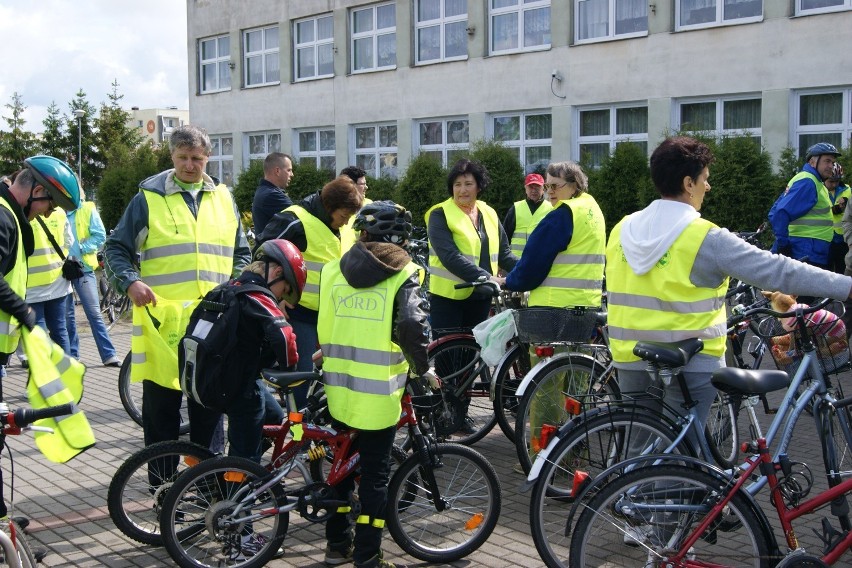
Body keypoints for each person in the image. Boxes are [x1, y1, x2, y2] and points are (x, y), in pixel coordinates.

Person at [606, 136, 852, 451]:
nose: (707, 187)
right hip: (690, 361)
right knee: (689, 454)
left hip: (630, 357)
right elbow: (777, 270)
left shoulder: (621, 229)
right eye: (704, 179)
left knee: (637, 451)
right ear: (688, 183)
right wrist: (845, 286)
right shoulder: (703, 236)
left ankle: (628, 498)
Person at [104, 124, 251, 451]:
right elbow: (115, 248)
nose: (189, 165)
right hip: (164, 324)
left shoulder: (224, 199)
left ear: (208, 158)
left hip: (213, 320)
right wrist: (130, 283)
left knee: (209, 406)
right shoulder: (148, 200)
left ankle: (206, 484)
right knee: (161, 408)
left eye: (196, 158)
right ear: (171, 156)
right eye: (182, 157)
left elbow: (241, 253)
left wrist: (235, 289)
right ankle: (163, 486)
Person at [318, 201, 429, 568]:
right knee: (374, 479)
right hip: (379, 394)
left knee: (338, 467)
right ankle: (367, 556)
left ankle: (336, 545)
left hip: (337, 387)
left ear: (362, 233)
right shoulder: (406, 272)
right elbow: (412, 327)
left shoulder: (333, 269)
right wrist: (421, 367)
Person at [257, 176, 363, 405]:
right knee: (301, 373)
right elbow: (263, 256)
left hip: (332, 314)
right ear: (329, 207)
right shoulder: (295, 220)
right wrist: (275, 299)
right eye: (343, 216)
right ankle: (298, 429)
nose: (346, 223)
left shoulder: (340, 226)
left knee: (335, 370)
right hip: (300, 313)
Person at [218, 239, 305, 463]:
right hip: (240, 384)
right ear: (276, 272)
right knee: (245, 454)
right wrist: (289, 371)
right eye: (284, 289)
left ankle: (237, 468)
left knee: (274, 415)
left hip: (218, 377)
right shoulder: (258, 296)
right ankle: (239, 486)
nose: (280, 297)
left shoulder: (229, 287)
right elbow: (285, 337)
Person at [0, 157, 80, 399]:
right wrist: (23, 311)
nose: (48, 214)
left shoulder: (10, 214)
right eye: (51, 205)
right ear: (36, 191)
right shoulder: (3, 218)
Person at [425, 158, 517, 332]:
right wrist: (488, 278)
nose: (462, 190)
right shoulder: (439, 214)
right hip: (448, 298)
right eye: (457, 184)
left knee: (474, 351)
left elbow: (504, 253)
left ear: (479, 187)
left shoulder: (488, 212)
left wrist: (527, 271)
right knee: (448, 355)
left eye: (468, 184)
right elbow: (450, 256)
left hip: (481, 297)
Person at [65, 193, 121, 366]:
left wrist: (81, 247)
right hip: (61, 269)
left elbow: (99, 236)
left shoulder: (87, 209)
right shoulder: (56, 209)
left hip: (83, 268)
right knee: (67, 316)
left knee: (94, 313)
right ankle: (73, 356)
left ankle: (109, 354)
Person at [768, 142, 841, 268]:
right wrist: (783, 245)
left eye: (833, 162)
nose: (831, 166)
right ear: (813, 162)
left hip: (809, 251)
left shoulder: (812, 181)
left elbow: (775, 211)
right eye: (827, 161)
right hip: (806, 253)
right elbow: (780, 213)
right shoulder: (808, 182)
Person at [27, 207, 75, 355]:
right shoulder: (60, 212)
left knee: (38, 333)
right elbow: (69, 241)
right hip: (58, 281)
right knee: (60, 330)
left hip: (32, 285)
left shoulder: (25, 213)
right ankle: (67, 373)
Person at [502, 172, 552, 258]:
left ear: (543, 189)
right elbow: (504, 237)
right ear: (525, 189)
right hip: (515, 262)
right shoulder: (516, 208)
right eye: (530, 187)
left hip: (541, 261)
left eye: (537, 187)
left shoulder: (551, 209)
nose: (533, 190)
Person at [251, 152, 294, 235]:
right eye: (289, 170)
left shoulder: (264, 191)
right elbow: (301, 216)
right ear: (277, 171)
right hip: (275, 247)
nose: (292, 174)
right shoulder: (271, 195)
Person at [339, 165, 371, 252]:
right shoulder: (336, 206)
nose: (366, 187)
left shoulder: (369, 205)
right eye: (362, 184)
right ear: (350, 185)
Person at [827, 163, 850, 273]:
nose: (834, 184)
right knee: (825, 272)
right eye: (831, 181)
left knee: (842, 271)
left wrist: (847, 202)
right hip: (825, 238)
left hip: (842, 239)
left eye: (837, 181)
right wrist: (836, 209)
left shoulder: (848, 190)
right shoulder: (819, 190)